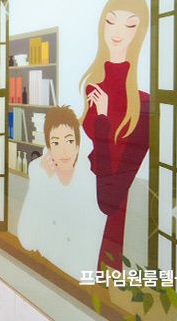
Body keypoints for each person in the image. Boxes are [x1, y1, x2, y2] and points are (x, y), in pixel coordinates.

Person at [80, 0, 150, 272]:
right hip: (87, 202)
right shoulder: (92, 86)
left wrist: (104, 118)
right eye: (110, 21)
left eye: (130, 25)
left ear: (139, 33)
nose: (117, 32)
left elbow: (109, 198)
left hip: (113, 205)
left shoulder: (143, 103)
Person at [17, 106, 105, 279]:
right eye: (56, 143)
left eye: (69, 141)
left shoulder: (91, 183)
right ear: (49, 148)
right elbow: (26, 238)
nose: (64, 151)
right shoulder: (42, 175)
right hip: (46, 269)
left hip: (77, 279)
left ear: (78, 145)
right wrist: (41, 181)